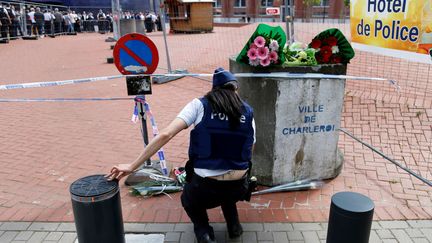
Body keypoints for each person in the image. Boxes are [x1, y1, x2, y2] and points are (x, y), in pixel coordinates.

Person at [106, 67, 255, 243]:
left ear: (214, 89)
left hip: (205, 189)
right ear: (235, 89)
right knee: (226, 189)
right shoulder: (248, 112)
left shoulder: (200, 105)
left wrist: (132, 166)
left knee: (188, 199)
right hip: (238, 186)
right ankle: (234, 227)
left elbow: (165, 134)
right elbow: (250, 148)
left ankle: (204, 233)